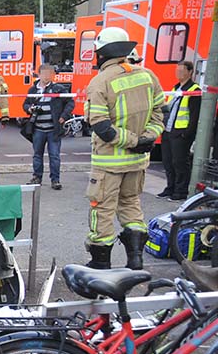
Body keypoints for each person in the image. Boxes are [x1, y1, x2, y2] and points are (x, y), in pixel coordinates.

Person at [84, 27, 164, 270]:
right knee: (131, 204)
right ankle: (135, 259)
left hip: (109, 163)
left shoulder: (101, 81)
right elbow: (159, 115)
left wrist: (131, 140)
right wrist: (146, 139)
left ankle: (101, 264)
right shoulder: (148, 76)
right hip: (138, 162)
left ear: (103, 53)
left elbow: (102, 127)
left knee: (103, 210)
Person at [23, 64, 74, 190]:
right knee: (37, 155)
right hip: (38, 128)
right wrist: (29, 109)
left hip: (53, 129)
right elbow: (25, 104)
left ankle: (55, 180)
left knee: (54, 155)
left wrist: (64, 116)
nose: (46, 76)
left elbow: (70, 102)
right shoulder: (33, 90)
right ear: (39, 74)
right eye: (44, 73)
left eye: (49, 74)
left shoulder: (58, 88)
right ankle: (37, 177)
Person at [158, 60, 201, 201]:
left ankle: (180, 191)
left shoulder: (195, 90)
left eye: (182, 71)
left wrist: (187, 133)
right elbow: (169, 108)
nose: (179, 73)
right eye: (177, 71)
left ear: (190, 72)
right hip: (169, 130)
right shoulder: (176, 88)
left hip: (181, 132)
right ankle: (170, 188)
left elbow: (195, 115)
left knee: (180, 162)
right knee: (168, 161)